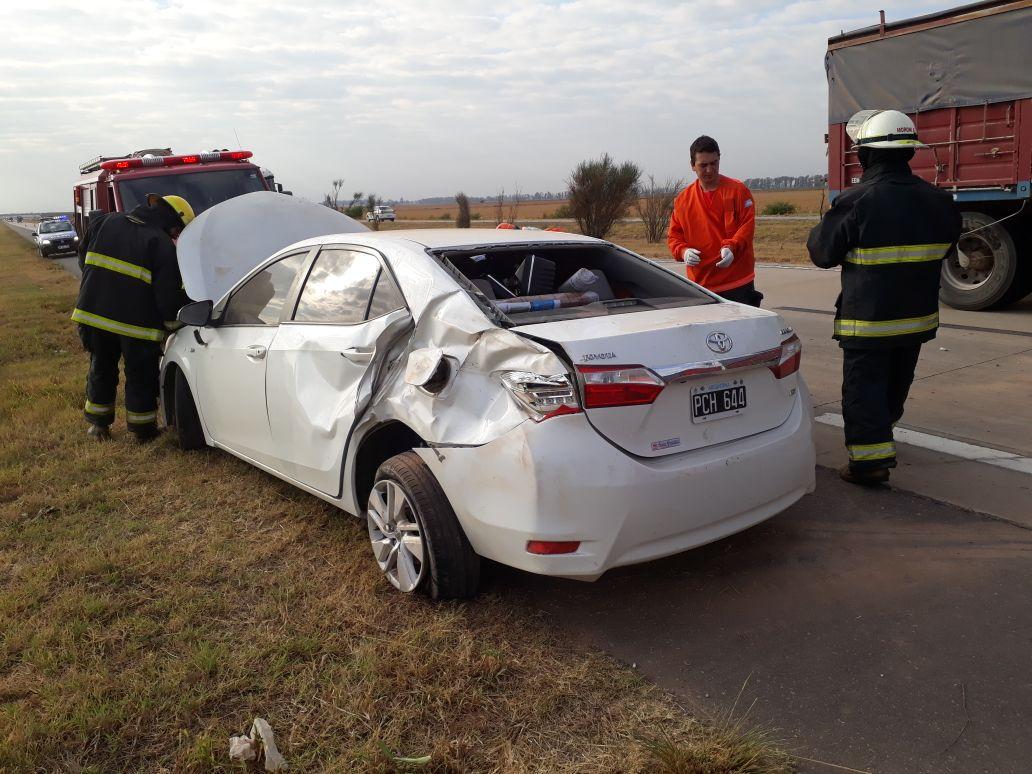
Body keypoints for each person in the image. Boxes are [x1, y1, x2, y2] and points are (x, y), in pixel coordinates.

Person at [807, 110, 961, 486]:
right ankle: (881, 432)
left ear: (868, 154)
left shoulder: (857, 201)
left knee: (864, 389)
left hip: (869, 322)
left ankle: (869, 463)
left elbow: (822, 253)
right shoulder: (940, 201)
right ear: (908, 152)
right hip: (916, 320)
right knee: (895, 382)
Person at [72, 194, 195, 441]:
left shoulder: (105, 222)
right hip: (136, 326)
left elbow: (83, 258)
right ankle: (142, 430)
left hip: (93, 315)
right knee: (140, 375)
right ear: (171, 220)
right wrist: (181, 318)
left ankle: (98, 426)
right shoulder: (160, 243)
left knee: (101, 367)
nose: (175, 234)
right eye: (177, 229)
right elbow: (167, 297)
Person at [667, 135, 761, 306]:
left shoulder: (738, 191)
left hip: (738, 282)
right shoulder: (683, 200)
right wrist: (683, 251)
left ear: (719, 160)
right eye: (703, 165)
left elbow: (747, 227)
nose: (709, 170)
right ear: (692, 166)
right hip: (703, 285)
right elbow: (674, 237)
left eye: (714, 163)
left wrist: (732, 247)